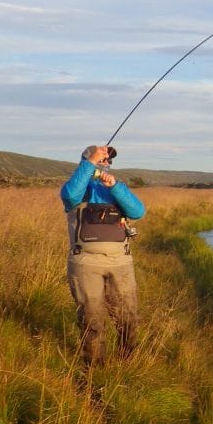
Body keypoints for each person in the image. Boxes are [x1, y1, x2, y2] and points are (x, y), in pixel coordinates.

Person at [60, 145, 145, 367]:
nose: (104, 164)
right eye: (100, 159)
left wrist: (115, 186)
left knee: (128, 318)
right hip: (85, 262)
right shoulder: (79, 187)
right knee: (92, 320)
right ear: (86, 161)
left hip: (121, 263)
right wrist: (89, 164)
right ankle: (95, 368)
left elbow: (137, 211)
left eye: (107, 161)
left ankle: (127, 362)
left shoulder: (118, 188)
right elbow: (70, 195)